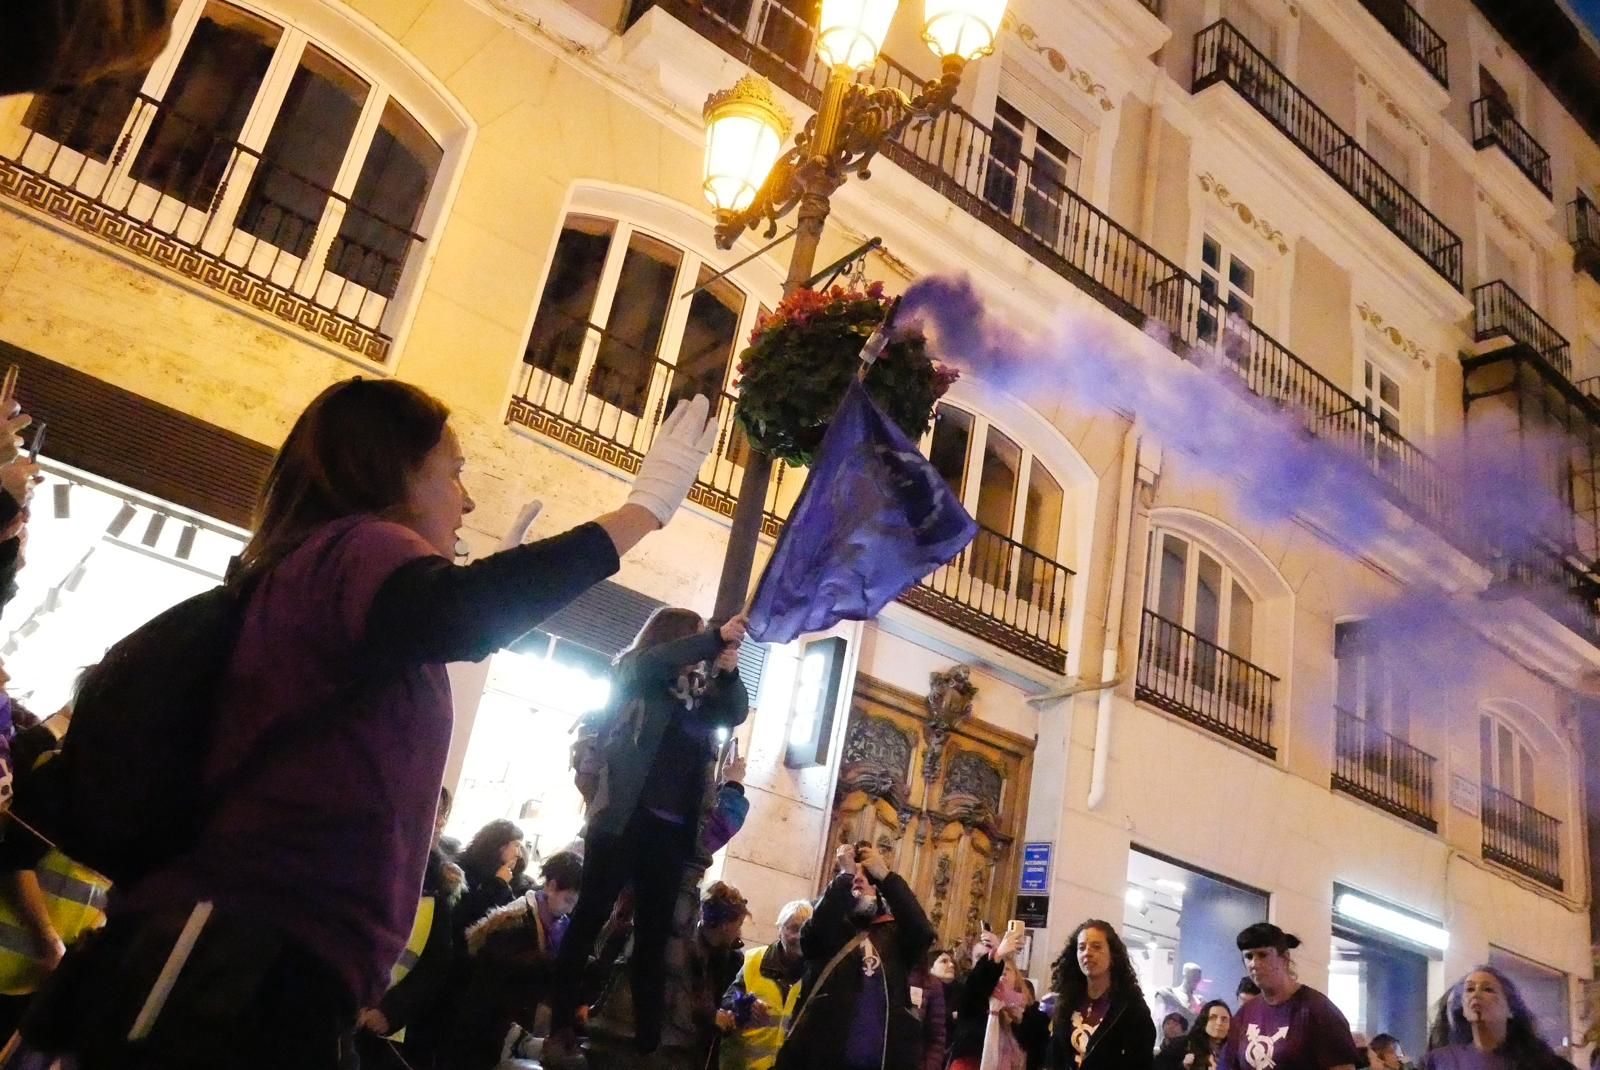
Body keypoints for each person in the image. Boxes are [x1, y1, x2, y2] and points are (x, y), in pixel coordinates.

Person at [24, 379, 720, 1069]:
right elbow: (465, 612)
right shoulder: (357, 546)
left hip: (269, 963)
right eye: (454, 473)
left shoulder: (338, 580)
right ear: (392, 473)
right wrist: (642, 512)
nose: (467, 498)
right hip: (238, 960)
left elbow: (445, 623)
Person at [545, 604, 750, 1058]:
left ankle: (646, 1042)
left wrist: (730, 674)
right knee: (590, 918)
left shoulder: (699, 694)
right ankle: (561, 1025)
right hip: (622, 820)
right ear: (674, 637)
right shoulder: (638, 673)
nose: (698, 649)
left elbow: (734, 712)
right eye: (692, 638)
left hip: (671, 832)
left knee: (654, 937)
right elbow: (654, 660)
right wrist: (714, 639)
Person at [774, 843, 936, 1070]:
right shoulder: (828, 929)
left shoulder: (895, 936)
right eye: (853, 875)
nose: (858, 880)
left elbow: (923, 932)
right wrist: (844, 876)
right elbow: (813, 936)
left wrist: (887, 877)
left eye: (867, 877)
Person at [353, 789, 465, 1070]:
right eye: (433, 811)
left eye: (443, 814)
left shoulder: (438, 884)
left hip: (378, 1027)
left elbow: (435, 963)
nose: (439, 822)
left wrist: (391, 1010)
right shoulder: (363, 861)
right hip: (333, 1010)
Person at [447, 850, 582, 1070]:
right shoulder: (514, 919)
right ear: (551, 886)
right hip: (487, 1031)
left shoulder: (557, 927)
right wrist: (543, 961)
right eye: (568, 900)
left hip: (514, 1029)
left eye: (575, 903)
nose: (570, 908)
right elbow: (492, 975)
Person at [1217, 923, 1359, 1070]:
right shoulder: (1246, 1014)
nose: (1254, 963)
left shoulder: (1318, 1011)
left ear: (1284, 958)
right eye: (1249, 956)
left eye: (1263, 955)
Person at [1046, 919, 1155, 1069]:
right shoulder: (1066, 1002)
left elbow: (1141, 1062)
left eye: (1096, 947)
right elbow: (1055, 1056)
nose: (1087, 953)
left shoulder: (1132, 1008)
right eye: (1081, 947)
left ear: (1113, 955)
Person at [1420, 966, 1575, 1070]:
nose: (1476, 994)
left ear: (1510, 1009)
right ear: (1463, 1009)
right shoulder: (1437, 1061)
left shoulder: (1543, 1064)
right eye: (1469, 989)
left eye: (1488, 989)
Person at [719, 899, 813, 1070]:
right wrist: (746, 1005)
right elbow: (726, 1004)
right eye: (793, 928)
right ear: (780, 929)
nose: (798, 936)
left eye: (805, 929)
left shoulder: (814, 972)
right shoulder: (754, 960)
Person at [948, 925, 1030, 1070]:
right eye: (980, 958)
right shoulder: (969, 993)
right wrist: (997, 955)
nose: (988, 959)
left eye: (1006, 970)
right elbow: (978, 984)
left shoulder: (1021, 1007)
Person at [690, 881, 752, 1067]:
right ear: (725, 925)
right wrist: (711, 1015)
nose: (739, 932)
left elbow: (725, 999)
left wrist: (739, 1008)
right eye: (738, 924)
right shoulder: (685, 948)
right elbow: (678, 993)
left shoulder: (731, 958)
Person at [452, 819, 527, 940]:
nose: (519, 854)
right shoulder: (462, 869)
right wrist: (498, 884)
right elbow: (466, 915)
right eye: (516, 845)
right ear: (500, 846)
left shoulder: (506, 873)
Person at [1159, 1000, 1230, 1070]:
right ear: (1204, 1021)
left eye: (1224, 1019)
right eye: (1213, 1018)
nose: (1219, 1023)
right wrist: (1183, 1066)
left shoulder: (1236, 1050)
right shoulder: (1181, 1046)